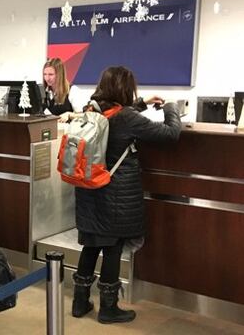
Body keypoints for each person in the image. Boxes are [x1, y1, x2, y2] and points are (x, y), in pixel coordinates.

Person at [72, 66, 181, 324]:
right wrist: (171, 108)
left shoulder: (92, 109)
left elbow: (120, 115)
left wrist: (142, 103)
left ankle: (80, 302)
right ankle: (108, 308)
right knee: (112, 248)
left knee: (91, 244)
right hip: (115, 196)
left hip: (90, 191)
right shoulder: (127, 119)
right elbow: (170, 134)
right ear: (125, 89)